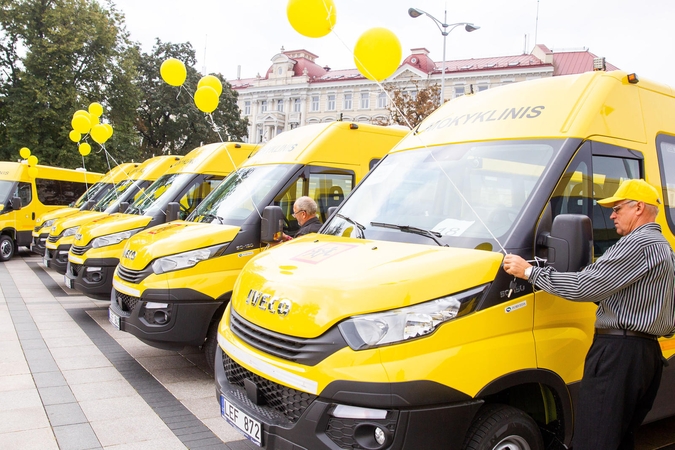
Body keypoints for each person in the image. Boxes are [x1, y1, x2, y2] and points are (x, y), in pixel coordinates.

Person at [503, 178, 675, 450]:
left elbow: (585, 285)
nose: (612, 214)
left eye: (618, 208)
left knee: (595, 439)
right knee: (618, 439)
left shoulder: (637, 244)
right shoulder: (663, 247)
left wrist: (529, 272)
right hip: (646, 356)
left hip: (619, 354)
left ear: (639, 208)